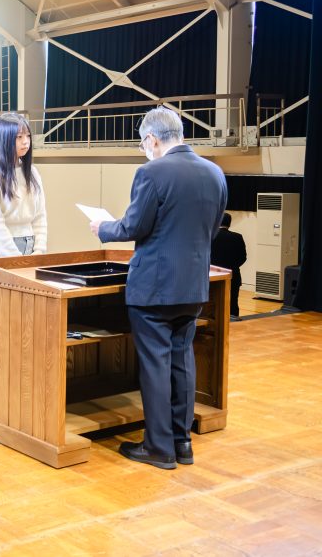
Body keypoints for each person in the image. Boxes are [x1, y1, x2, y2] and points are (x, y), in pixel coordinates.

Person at [90, 107, 227, 470]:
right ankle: (182, 443)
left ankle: (158, 447)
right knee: (183, 361)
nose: (144, 150)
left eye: (142, 144)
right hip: (193, 285)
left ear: (151, 140)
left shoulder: (151, 172)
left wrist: (103, 227)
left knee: (155, 365)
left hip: (154, 288)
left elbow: (133, 226)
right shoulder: (214, 172)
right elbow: (212, 229)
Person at [0, 113, 47, 258]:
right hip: (0, 250)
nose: (26, 142)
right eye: (19, 137)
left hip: (30, 245)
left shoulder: (32, 172)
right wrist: (14, 258)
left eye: (28, 136)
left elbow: (40, 216)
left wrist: (39, 250)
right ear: (5, 139)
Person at [211, 213, 247, 319]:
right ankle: (234, 322)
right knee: (233, 301)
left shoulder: (211, 236)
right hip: (233, 274)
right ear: (229, 223)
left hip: (214, 275)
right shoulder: (237, 237)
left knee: (213, 301)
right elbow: (243, 257)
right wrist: (232, 267)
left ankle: (215, 323)